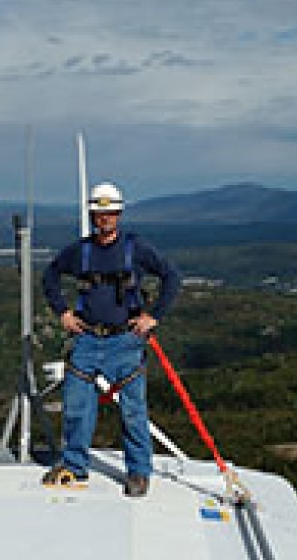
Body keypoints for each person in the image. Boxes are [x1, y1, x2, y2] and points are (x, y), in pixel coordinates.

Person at [42, 181, 181, 497]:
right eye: (98, 213)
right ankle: (75, 466)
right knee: (77, 407)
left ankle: (138, 472)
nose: (103, 218)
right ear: (92, 215)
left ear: (118, 214)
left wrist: (154, 315)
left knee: (133, 411)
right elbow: (50, 275)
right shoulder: (81, 251)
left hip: (125, 341)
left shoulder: (136, 248)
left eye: (109, 212)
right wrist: (63, 312)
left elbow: (171, 275)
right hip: (87, 339)